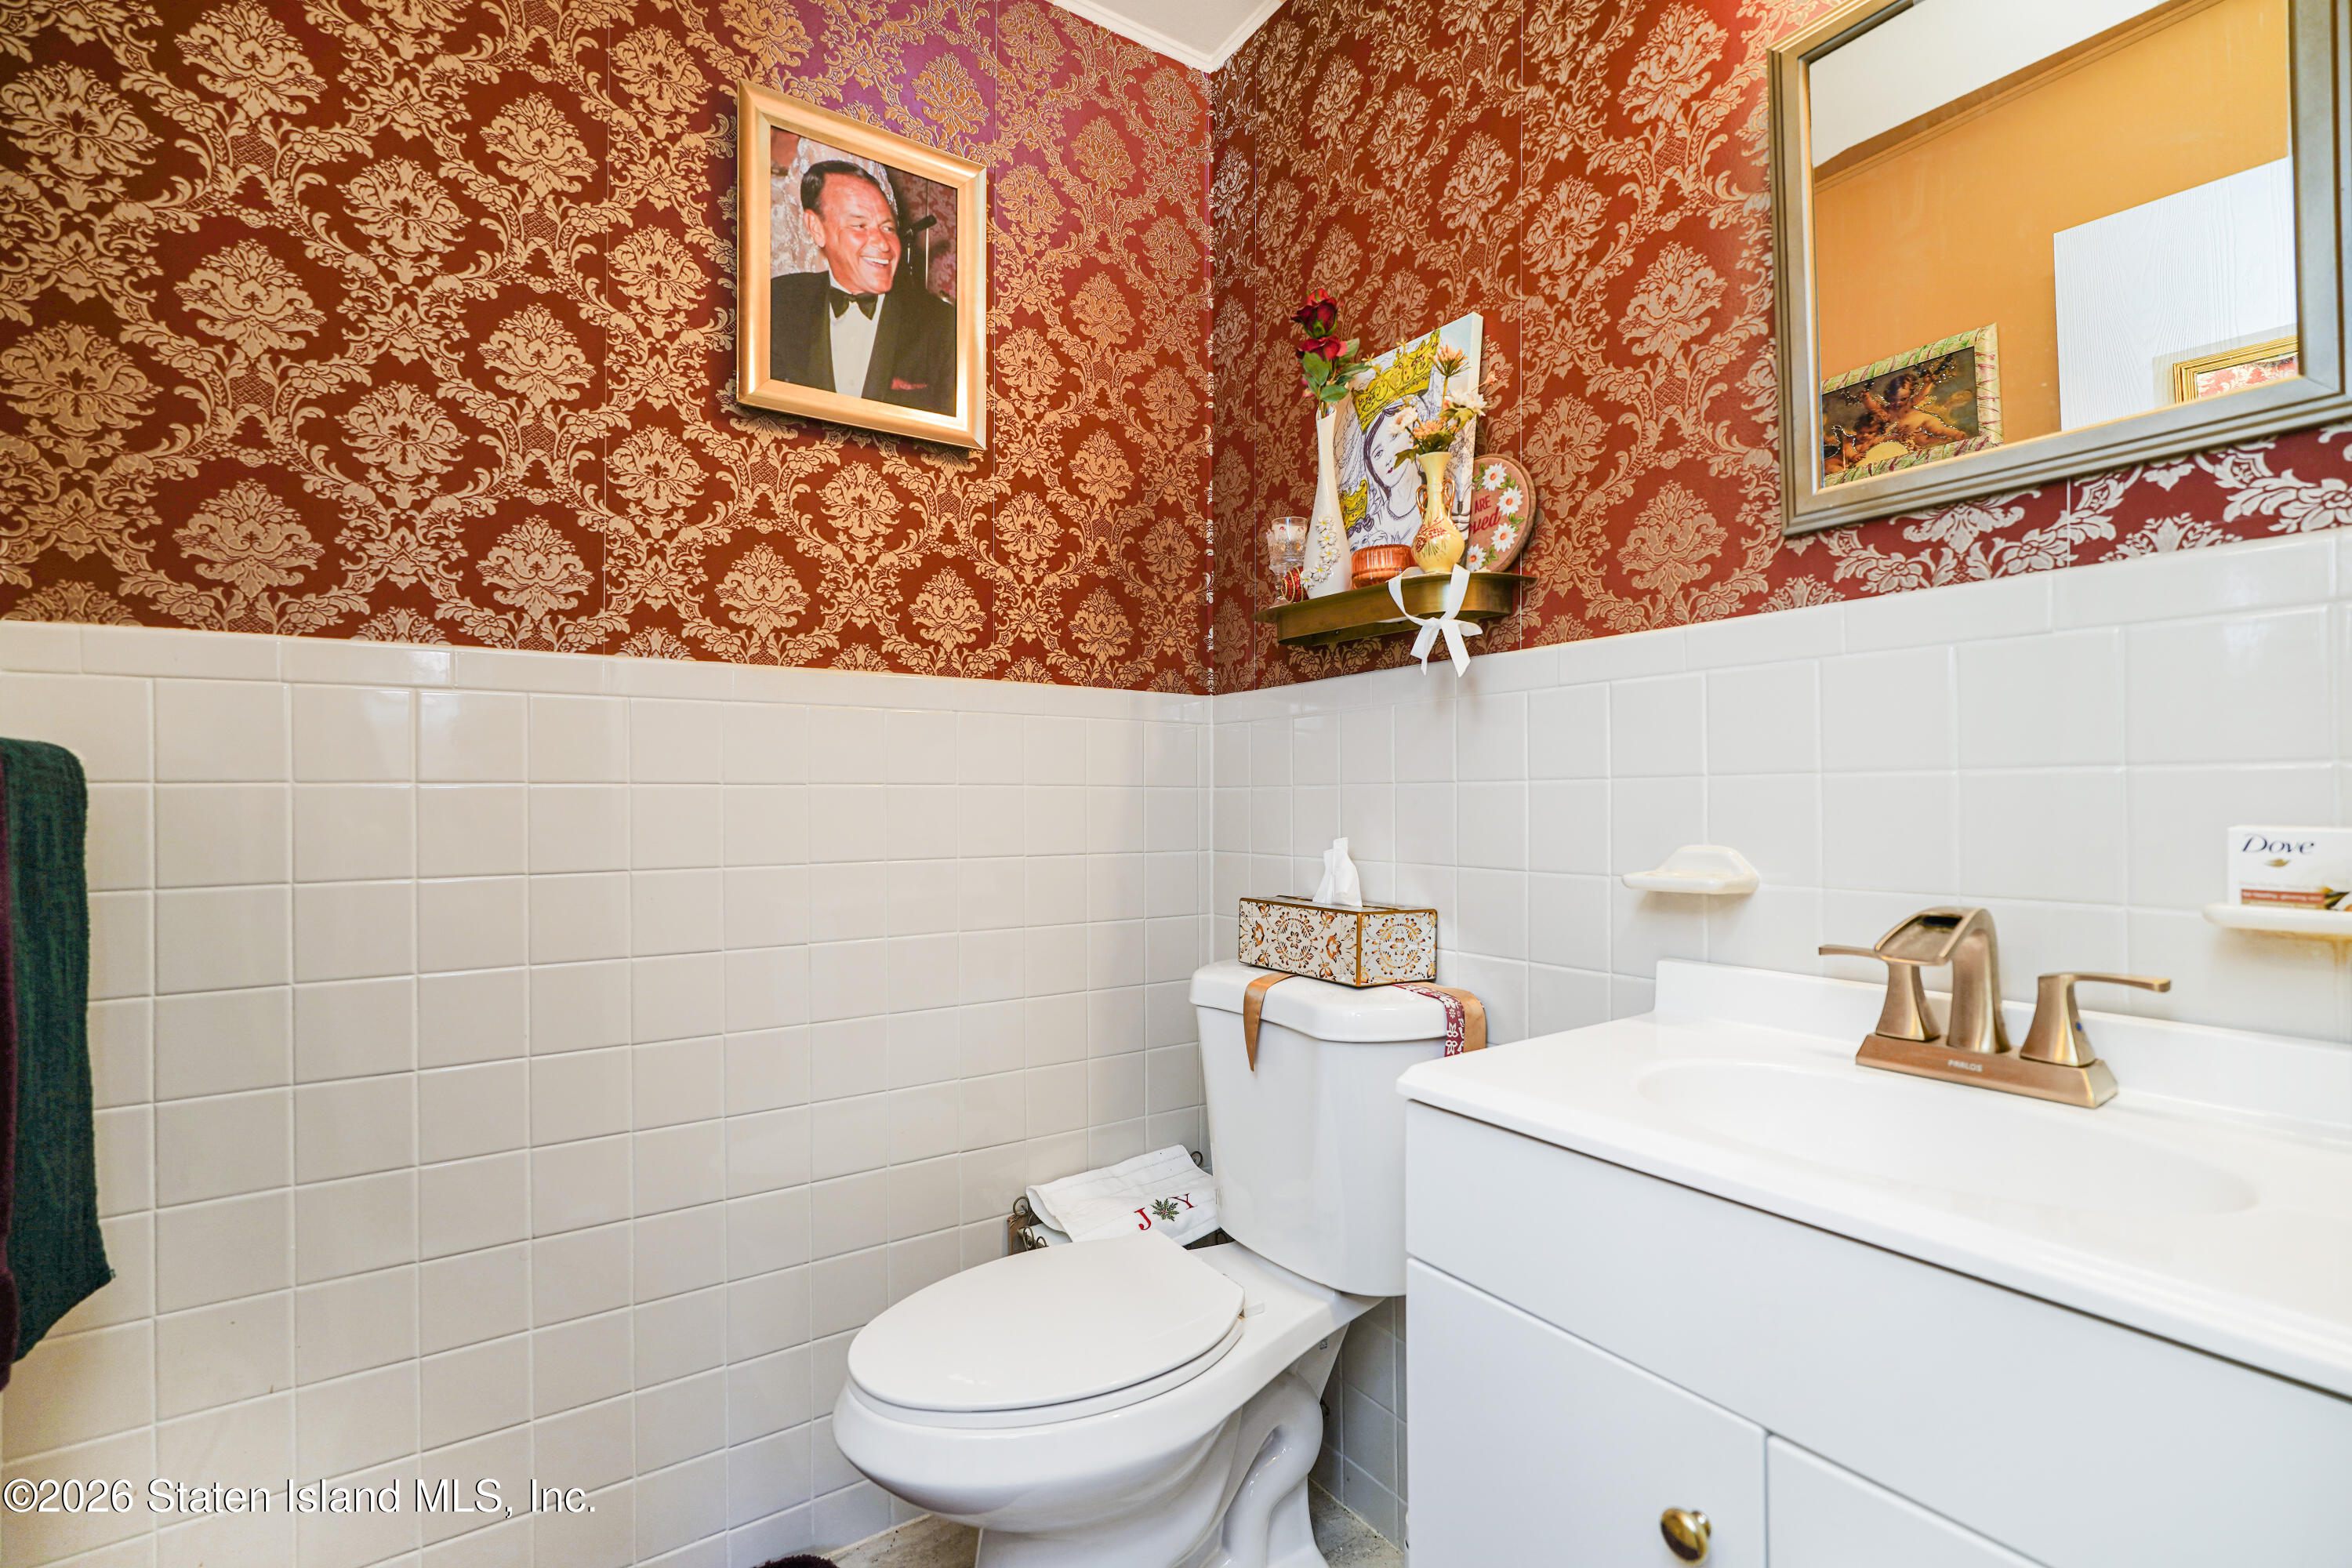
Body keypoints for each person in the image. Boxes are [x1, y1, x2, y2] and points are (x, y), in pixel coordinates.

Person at [769, 161, 956, 414]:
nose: (883, 243)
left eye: (888, 228)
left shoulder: (944, 325)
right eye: (860, 225)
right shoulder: (778, 303)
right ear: (816, 228)